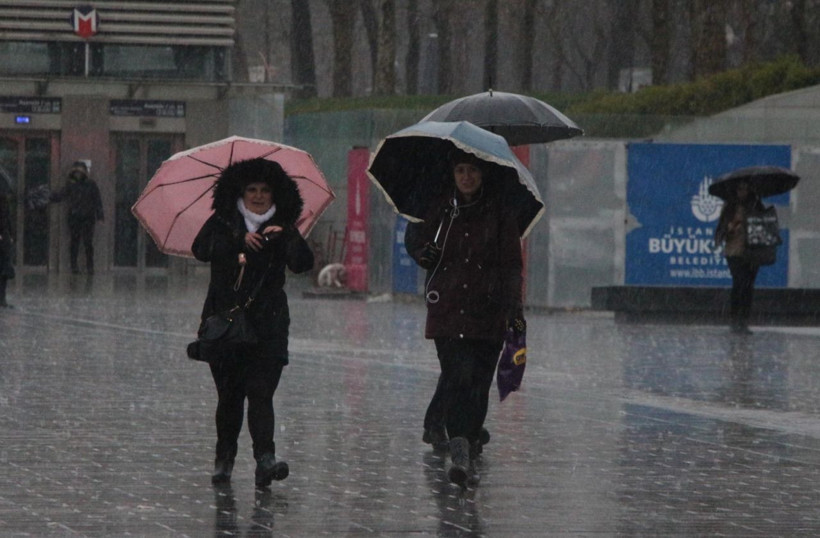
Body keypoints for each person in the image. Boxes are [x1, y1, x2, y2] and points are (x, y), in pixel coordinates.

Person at [405, 149, 524, 487]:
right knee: (459, 376)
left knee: (478, 385)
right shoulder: (441, 208)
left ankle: (468, 440)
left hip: (488, 312)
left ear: (483, 173)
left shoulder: (500, 212)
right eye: (460, 170)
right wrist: (423, 253)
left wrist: (514, 309)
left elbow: (511, 265)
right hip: (448, 309)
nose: (466, 177)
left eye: (472, 170)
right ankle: (460, 452)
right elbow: (416, 240)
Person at [191, 157, 314, 488]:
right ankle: (224, 458)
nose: (258, 196)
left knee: (261, 393)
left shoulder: (282, 225)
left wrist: (286, 237)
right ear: (240, 193)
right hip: (227, 324)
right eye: (252, 190)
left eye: (265, 190)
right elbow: (201, 249)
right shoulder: (223, 221)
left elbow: (303, 263)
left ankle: (265, 459)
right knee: (229, 397)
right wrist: (238, 242)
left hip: (268, 326)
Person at [714, 180, 765, 334]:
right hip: (734, 251)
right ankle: (735, 319)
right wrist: (730, 228)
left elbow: (765, 226)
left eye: (745, 189)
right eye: (739, 189)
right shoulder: (730, 206)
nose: (742, 192)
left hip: (752, 252)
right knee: (739, 283)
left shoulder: (756, 205)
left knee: (748, 287)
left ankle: (744, 320)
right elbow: (722, 228)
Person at [50, 161, 104, 274]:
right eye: (76, 172)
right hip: (75, 217)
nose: (78, 175)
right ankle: (74, 266)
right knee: (75, 242)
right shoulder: (71, 185)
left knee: (88, 243)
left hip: (88, 217)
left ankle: (90, 266)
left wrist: (100, 216)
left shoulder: (91, 184)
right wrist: (49, 196)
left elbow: (97, 200)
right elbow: (61, 195)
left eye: (79, 172)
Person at [0, 192, 15, 307]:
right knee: (3, 270)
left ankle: (2, 298)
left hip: (5, 240)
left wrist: (10, 235)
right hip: (4, 239)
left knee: (4, 270)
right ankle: (2, 298)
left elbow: (8, 221)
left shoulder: (5, 204)